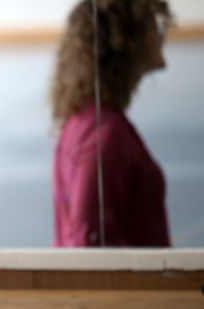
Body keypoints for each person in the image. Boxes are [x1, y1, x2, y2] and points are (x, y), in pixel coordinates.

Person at [50, 0, 172, 247]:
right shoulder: (105, 135)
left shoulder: (82, 121)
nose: (162, 36)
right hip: (132, 286)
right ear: (126, 39)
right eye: (153, 25)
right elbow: (89, 242)